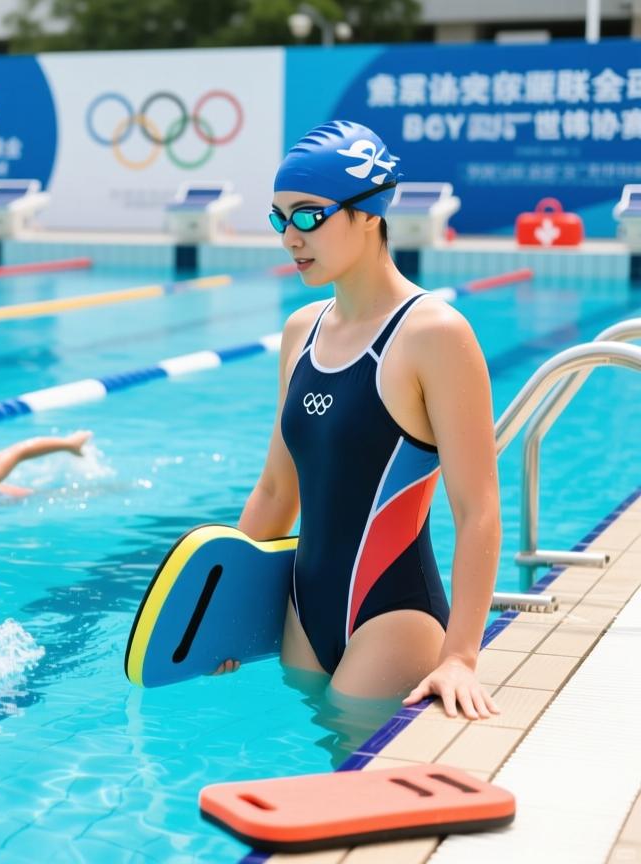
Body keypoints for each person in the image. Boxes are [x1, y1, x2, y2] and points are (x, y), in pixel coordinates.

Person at [226, 120, 500, 720]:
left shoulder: (433, 333)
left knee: (356, 777)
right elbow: (276, 491)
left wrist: (461, 659)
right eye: (278, 218)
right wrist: (227, 615)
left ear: (368, 211)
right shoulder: (302, 331)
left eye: (307, 216)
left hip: (393, 614)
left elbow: (477, 509)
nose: (290, 237)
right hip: (304, 611)